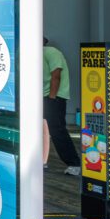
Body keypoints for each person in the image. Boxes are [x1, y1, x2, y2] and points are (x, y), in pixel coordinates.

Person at [43, 37, 81, 175]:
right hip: (40, 97)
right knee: (39, 131)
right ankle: (40, 161)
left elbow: (56, 75)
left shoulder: (51, 52)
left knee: (57, 130)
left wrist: (52, 98)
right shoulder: (32, 55)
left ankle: (74, 163)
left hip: (53, 97)